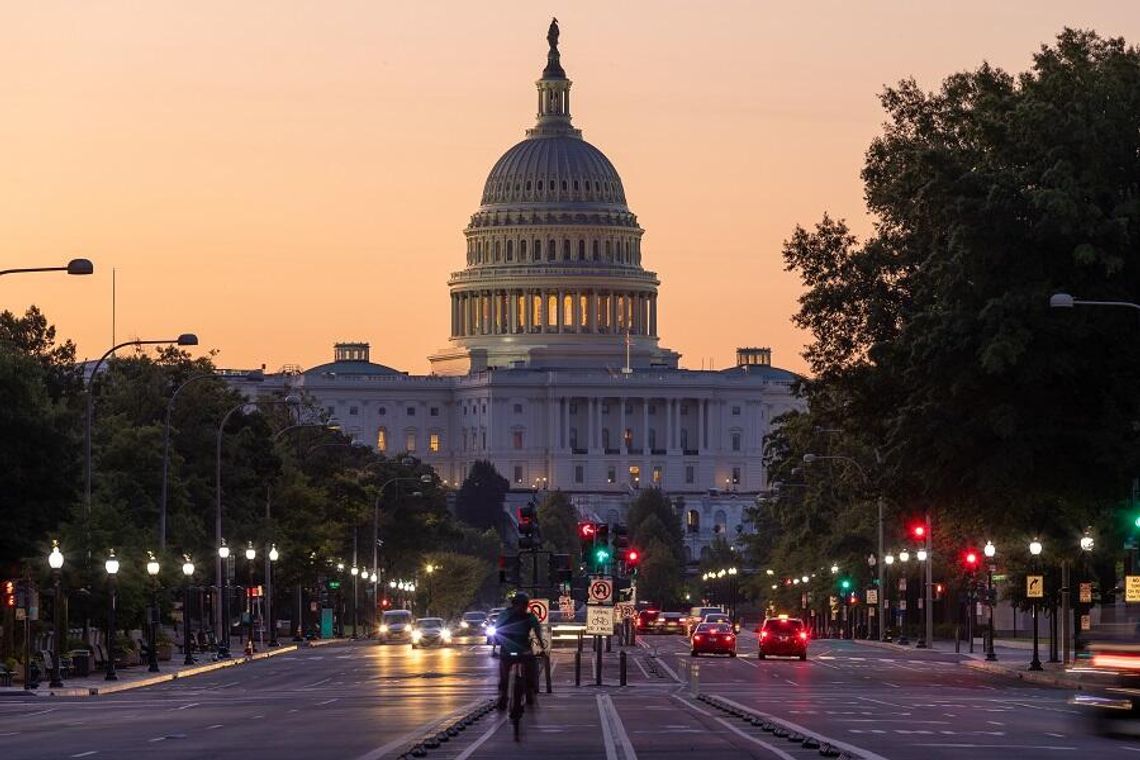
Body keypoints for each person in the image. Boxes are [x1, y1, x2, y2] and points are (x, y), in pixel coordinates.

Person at [494, 593, 545, 710]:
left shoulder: (504, 614)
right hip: (522, 650)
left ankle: (504, 697)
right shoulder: (529, 617)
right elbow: (538, 633)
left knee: (504, 673)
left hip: (508, 650)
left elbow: (497, 630)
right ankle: (529, 692)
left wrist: (496, 644)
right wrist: (542, 648)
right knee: (531, 668)